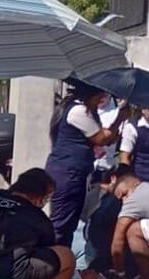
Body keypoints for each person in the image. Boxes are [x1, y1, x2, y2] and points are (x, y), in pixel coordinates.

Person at [44, 83, 118, 249]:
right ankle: (53, 263)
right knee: (61, 224)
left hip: (75, 172)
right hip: (68, 173)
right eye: (100, 95)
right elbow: (101, 138)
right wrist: (120, 118)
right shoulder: (78, 111)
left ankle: (63, 262)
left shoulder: (87, 112)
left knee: (69, 223)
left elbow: (107, 137)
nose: (102, 99)